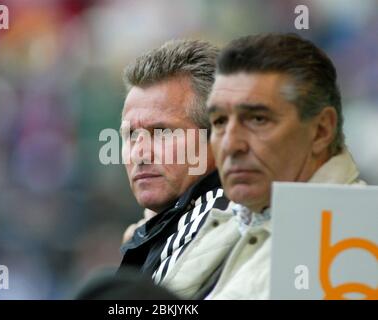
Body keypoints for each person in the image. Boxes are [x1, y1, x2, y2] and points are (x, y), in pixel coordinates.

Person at [160, 33, 366, 299]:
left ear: (321, 131)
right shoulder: (235, 217)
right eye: (220, 121)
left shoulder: (346, 235)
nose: (231, 145)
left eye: (258, 119)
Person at [118, 39, 229, 284]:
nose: (140, 154)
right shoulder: (165, 227)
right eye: (131, 135)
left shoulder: (224, 218)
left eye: (162, 133)